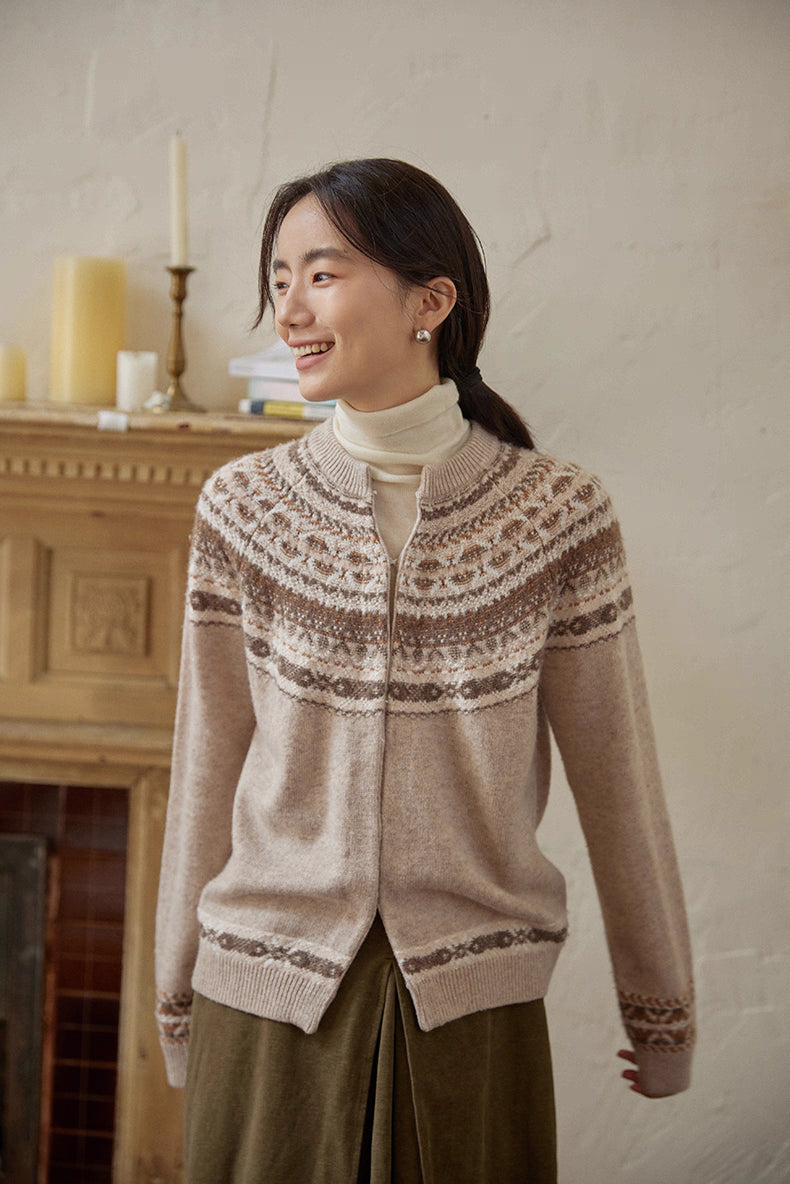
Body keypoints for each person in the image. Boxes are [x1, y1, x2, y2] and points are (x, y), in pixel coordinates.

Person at [155, 158, 695, 1183]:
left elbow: (617, 776)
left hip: (469, 1015)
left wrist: (660, 1008)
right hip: (265, 1008)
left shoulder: (557, 515)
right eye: (278, 279)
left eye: (321, 273)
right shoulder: (242, 507)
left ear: (430, 300)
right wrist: (175, 995)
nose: (291, 309)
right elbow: (206, 761)